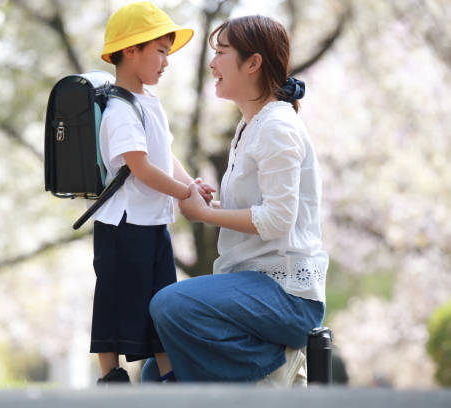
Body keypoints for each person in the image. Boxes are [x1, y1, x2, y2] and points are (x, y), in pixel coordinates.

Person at [142, 15, 327, 385]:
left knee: (169, 305)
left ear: (253, 63)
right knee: (155, 371)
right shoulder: (249, 126)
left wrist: (205, 216)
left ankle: (272, 364)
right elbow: (259, 212)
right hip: (252, 286)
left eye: (221, 53)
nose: (212, 64)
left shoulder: (277, 127)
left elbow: (277, 220)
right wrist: (210, 207)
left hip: (287, 295)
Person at [91, 1, 215, 384]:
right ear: (131, 50)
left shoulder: (148, 103)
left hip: (151, 221)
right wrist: (182, 193)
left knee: (161, 300)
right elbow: (140, 168)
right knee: (114, 301)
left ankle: (170, 376)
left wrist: (190, 184)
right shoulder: (119, 109)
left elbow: (164, 155)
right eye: (160, 51)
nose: (166, 61)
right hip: (123, 225)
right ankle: (112, 377)